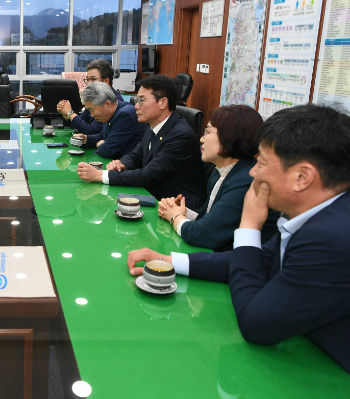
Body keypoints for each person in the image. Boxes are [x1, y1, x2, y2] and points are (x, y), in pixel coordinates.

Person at [128, 104, 350, 374]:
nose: (254, 172)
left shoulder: (329, 238)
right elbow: (261, 259)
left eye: (263, 163)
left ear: (302, 177)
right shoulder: (321, 214)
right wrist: (169, 260)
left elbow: (256, 325)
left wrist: (249, 226)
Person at [158, 105, 280, 251]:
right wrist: (182, 212)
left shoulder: (246, 181)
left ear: (230, 137)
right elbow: (210, 219)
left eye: (208, 132)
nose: (201, 139)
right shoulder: (220, 171)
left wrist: (175, 217)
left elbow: (203, 235)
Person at [77, 75, 207, 211]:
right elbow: (135, 156)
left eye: (141, 100)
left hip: (181, 210)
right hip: (158, 201)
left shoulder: (180, 135)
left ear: (162, 102)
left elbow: (148, 176)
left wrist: (100, 175)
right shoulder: (154, 126)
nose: (136, 106)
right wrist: (121, 164)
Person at [71, 82, 146, 160]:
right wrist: (86, 139)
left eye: (92, 110)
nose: (92, 115)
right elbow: (103, 135)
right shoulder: (112, 112)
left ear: (108, 104)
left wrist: (100, 145)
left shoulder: (125, 115)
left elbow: (107, 150)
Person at [56, 58, 123, 134]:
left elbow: (91, 131)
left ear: (106, 81)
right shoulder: (93, 97)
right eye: (87, 79)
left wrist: (70, 113)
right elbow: (82, 123)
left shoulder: (113, 101)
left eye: (93, 79)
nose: (88, 83)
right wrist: (66, 115)